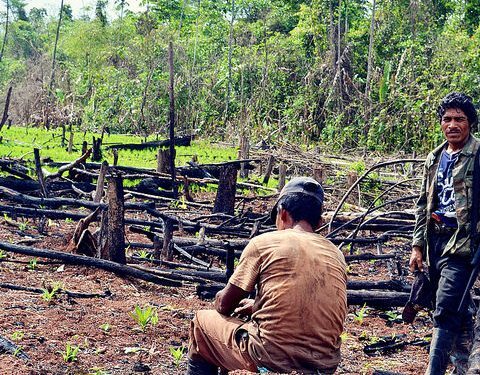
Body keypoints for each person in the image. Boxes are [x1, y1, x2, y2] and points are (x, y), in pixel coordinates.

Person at [187, 177, 347, 374]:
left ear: (282, 213)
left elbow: (224, 304)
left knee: (201, 323)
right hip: (324, 365)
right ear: (320, 222)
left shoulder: (265, 242)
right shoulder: (336, 254)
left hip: (270, 360)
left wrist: (222, 299)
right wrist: (257, 306)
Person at [409, 92, 480, 374]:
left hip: (463, 243)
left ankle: (433, 371)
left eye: (459, 119)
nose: (452, 125)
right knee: (456, 307)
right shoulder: (435, 157)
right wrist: (417, 246)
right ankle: (465, 364)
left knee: (446, 306)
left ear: (470, 123)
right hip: (436, 240)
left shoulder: (477, 155)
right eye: (447, 119)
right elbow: (422, 205)